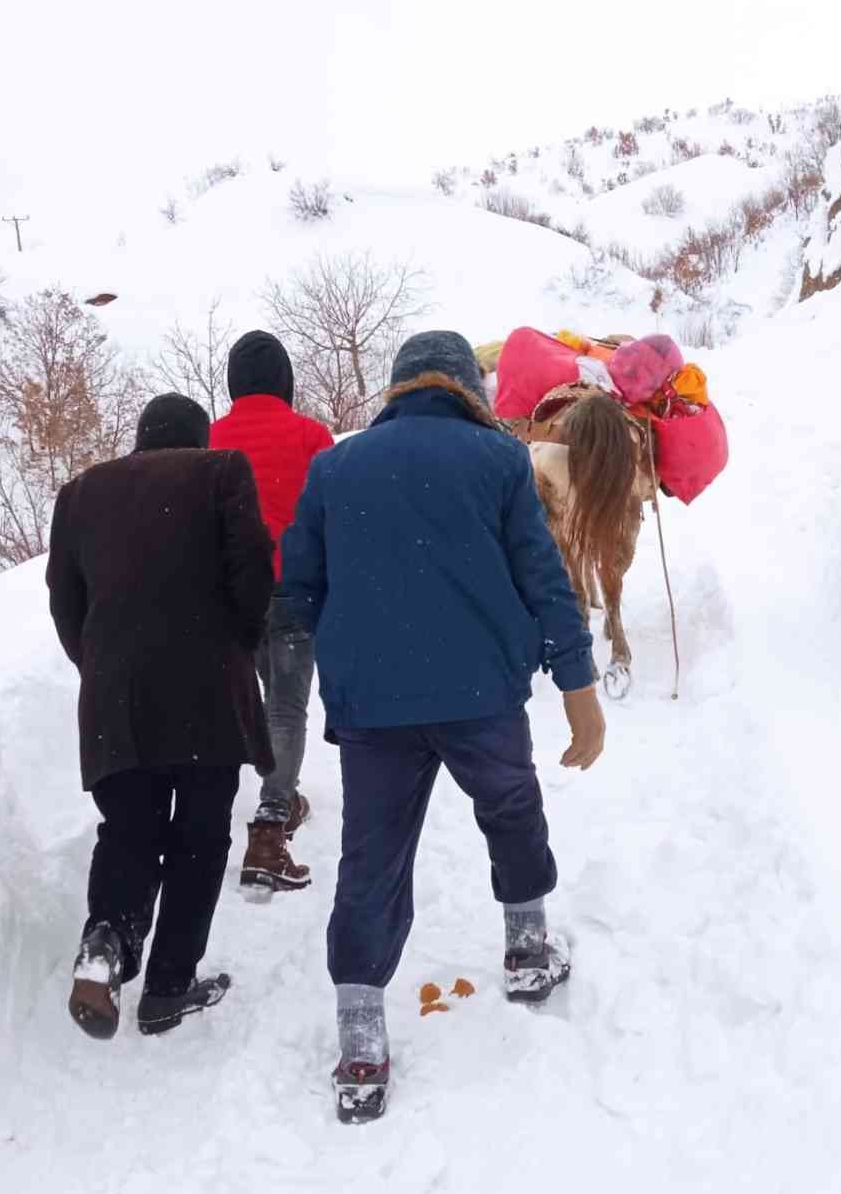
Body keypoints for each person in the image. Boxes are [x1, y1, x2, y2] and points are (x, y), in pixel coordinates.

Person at [276, 330, 608, 1123]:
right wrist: (575, 682)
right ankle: (527, 948)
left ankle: (360, 1041)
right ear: (469, 388)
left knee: (371, 859)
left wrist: (345, 657)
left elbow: (297, 592)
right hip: (479, 696)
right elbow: (542, 575)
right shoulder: (496, 461)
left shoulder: (333, 467)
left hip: (374, 709)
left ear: (396, 388)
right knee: (510, 809)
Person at [46, 392, 274, 1040]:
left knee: (129, 829)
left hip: (116, 697)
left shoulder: (82, 491)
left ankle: (106, 942)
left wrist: (101, 664)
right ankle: (169, 987)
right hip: (206, 689)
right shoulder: (221, 470)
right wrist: (236, 643)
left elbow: (66, 602)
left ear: (141, 437)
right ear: (198, 438)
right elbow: (252, 571)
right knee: (201, 839)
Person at [209, 330, 334, 892]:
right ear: (285, 379)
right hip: (293, 588)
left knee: (267, 704)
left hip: (233, 595)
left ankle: (282, 796)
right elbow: (334, 514)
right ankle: (271, 822)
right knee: (285, 707)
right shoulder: (310, 435)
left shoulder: (209, 438)